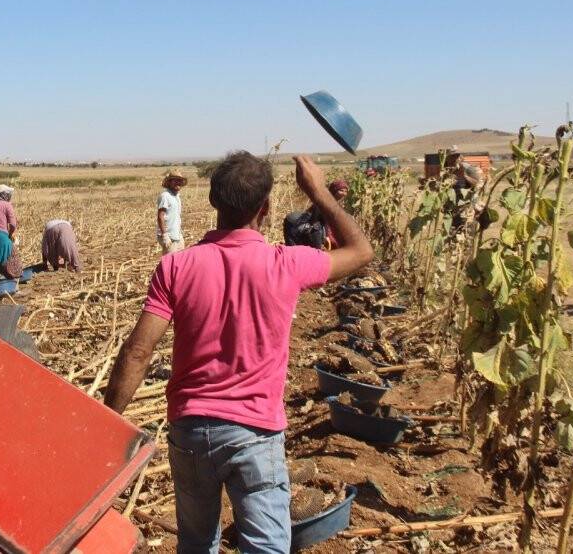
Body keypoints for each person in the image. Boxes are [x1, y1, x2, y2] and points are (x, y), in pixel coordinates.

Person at [105, 152, 372, 553]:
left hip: (190, 430)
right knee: (266, 546)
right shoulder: (287, 263)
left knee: (197, 543)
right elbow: (361, 250)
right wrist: (319, 192)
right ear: (266, 207)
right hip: (256, 432)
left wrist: (108, 424)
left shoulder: (175, 268)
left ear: (213, 200)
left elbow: (137, 352)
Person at [283, 177, 348, 250]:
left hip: (324, 228)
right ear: (334, 190)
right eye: (341, 191)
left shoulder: (336, 204)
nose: (344, 193)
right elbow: (316, 218)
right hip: (315, 225)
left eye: (346, 191)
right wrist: (327, 235)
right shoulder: (325, 201)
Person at [157, 170, 187, 254]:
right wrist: (165, 235)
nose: (178, 182)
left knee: (180, 259)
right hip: (169, 235)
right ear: (169, 182)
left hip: (177, 235)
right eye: (175, 180)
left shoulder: (176, 196)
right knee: (171, 260)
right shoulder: (165, 196)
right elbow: (160, 216)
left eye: (180, 180)